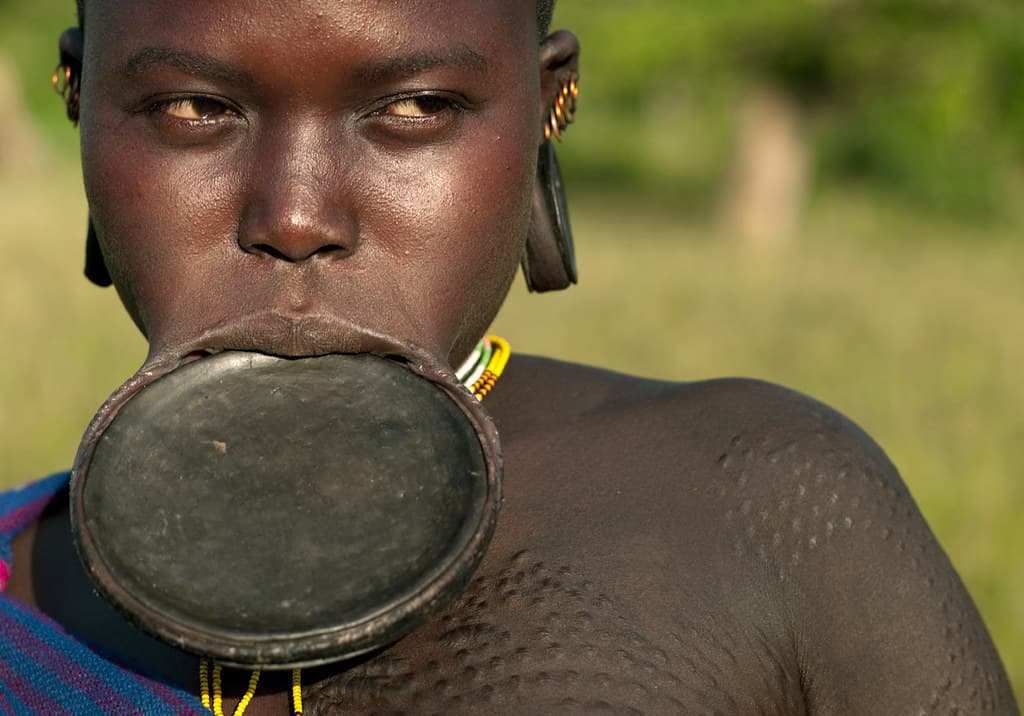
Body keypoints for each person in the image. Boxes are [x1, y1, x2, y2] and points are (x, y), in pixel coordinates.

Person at [1, 1, 1018, 714]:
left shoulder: (771, 502)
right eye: (193, 108)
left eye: (414, 108)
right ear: (81, 100)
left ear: (547, 105)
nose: (296, 216)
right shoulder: (19, 582)